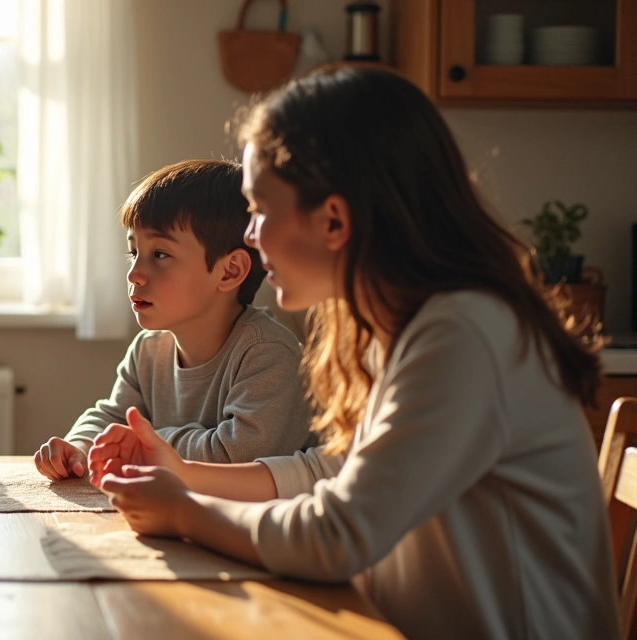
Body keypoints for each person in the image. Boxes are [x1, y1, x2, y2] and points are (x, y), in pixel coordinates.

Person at [89, 67, 619, 640]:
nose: (250, 236)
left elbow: (336, 536)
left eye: (261, 210)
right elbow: (335, 477)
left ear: (335, 220)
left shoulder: (464, 334)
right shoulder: (394, 332)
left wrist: (184, 510)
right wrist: (186, 474)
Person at [34, 159, 312, 480]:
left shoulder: (269, 354)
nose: (134, 274)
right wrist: (80, 446)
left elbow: (238, 455)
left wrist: (143, 444)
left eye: (160, 255)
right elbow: (114, 417)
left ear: (230, 271)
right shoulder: (149, 350)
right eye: (133, 252)